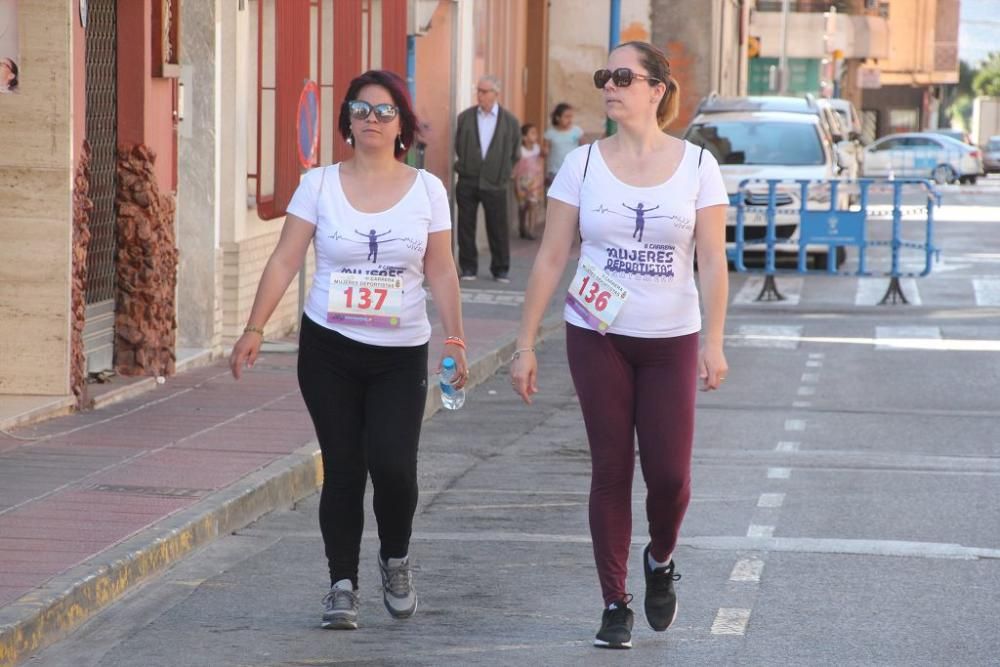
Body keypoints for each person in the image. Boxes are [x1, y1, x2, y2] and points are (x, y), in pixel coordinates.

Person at [229, 70, 467, 631]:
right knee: (343, 468)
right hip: (329, 349)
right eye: (361, 110)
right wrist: (255, 327)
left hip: (399, 352)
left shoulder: (428, 190)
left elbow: (440, 266)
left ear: (402, 124)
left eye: (384, 112)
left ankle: (396, 557)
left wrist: (455, 338)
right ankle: (341, 585)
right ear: (347, 122)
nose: (371, 120)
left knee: (393, 467)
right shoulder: (319, 185)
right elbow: (286, 257)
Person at [510, 41, 729, 650]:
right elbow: (553, 256)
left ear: (657, 89)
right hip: (595, 332)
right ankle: (614, 602)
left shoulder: (697, 165)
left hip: (671, 338)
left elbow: (711, 259)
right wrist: (524, 344)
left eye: (623, 76)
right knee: (610, 467)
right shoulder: (581, 164)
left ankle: (659, 559)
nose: (609, 85)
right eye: (605, 75)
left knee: (671, 477)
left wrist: (713, 338)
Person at [454, 75, 521, 283]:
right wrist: (465, 165)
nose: (480, 95)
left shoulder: (510, 121)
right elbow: (458, 145)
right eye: (479, 91)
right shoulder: (465, 117)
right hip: (468, 179)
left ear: (496, 94)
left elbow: (515, 152)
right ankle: (468, 268)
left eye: (484, 92)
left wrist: (503, 172)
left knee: (497, 227)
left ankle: (500, 268)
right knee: (465, 225)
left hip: (495, 181)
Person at [512, 123, 545, 240]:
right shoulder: (520, 151)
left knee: (533, 204)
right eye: (532, 133)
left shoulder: (537, 148)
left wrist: (540, 177)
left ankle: (531, 229)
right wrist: (517, 186)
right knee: (523, 206)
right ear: (524, 137)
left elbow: (541, 160)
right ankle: (522, 227)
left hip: (534, 182)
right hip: (522, 181)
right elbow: (516, 169)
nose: (535, 136)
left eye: (536, 133)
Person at [544, 103, 583, 187]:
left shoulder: (577, 131)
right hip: (555, 171)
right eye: (566, 117)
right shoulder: (550, 133)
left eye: (571, 116)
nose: (570, 120)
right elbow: (545, 151)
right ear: (558, 118)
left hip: (573, 171)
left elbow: (584, 148)